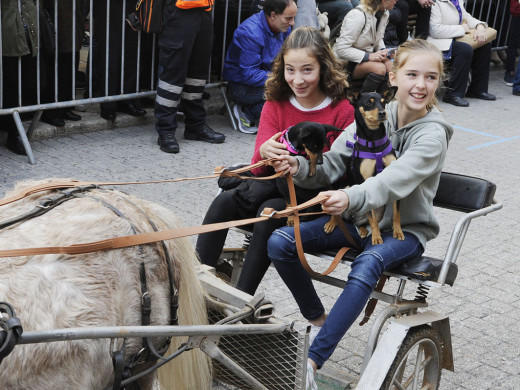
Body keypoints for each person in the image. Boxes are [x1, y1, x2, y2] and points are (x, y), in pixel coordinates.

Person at [266, 39, 453, 389]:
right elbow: (334, 162)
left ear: (437, 82)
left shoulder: (433, 134)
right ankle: (319, 319)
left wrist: (348, 197)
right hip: (359, 223)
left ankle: (311, 359)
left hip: (406, 231)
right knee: (279, 241)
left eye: (430, 77)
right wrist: (297, 165)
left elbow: (394, 180)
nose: (421, 85)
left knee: (368, 262)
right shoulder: (372, 114)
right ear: (394, 77)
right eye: (412, 74)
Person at [196, 27, 355, 295]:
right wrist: (265, 151)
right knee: (225, 200)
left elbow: (340, 172)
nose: (298, 79)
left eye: (307, 70)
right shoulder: (276, 103)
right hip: (272, 187)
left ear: (324, 68)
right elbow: (258, 168)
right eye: (290, 70)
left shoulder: (342, 111)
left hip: (312, 198)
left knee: (268, 213)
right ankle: (195, 283)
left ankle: (242, 300)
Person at [154, 0, 225, 154]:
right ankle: (165, 130)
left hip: (203, 11)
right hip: (178, 11)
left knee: (197, 75)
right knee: (172, 75)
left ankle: (195, 125)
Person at [223, 0, 297, 134]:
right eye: (288, 18)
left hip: (265, 77)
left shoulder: (283, 27)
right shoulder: (250, 32)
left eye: (293, 18)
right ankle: (247, 113)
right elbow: (250, 75)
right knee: (287, 92)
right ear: (273, 15)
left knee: (300, 86)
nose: (292, 23)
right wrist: (282, 79)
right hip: (241, 86)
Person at [428, 0, 496, 107]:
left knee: (483, 45)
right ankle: (453, 94)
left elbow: (467, 18)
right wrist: (461, 28)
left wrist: (480, 26)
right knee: (464, 49)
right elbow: (435, 30)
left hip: (454, 38)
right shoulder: (435, 2)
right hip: (438, 42)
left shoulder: (457, 1)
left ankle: (477, 90)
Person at [91, 0, 147, 122]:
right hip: (108, 6)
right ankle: (108, 103)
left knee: (131, 53)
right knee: (110, 52)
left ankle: (127, 100)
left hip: (131, 5)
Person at [333, 0, 398, 93]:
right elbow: (341, 48)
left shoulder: (384, 13)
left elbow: (378, 39)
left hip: (364, 57)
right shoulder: (357, 15)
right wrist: (369, 56)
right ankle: (362, 102)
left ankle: (382, 101)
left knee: (390, 65)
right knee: (379, 68)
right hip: (344, 62)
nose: (397, 1)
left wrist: (384, 51)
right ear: (384, 1)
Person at [41, 0, 85, 128]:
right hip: (56, 21)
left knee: (70, 66)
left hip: (73, 21)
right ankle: (52, 111)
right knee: (57, 68)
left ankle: (65, 106)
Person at [504, 0, 520, 86]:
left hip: (517, 11)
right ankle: (510, 72)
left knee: (514, 43)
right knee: (514, 42)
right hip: (517, 13)